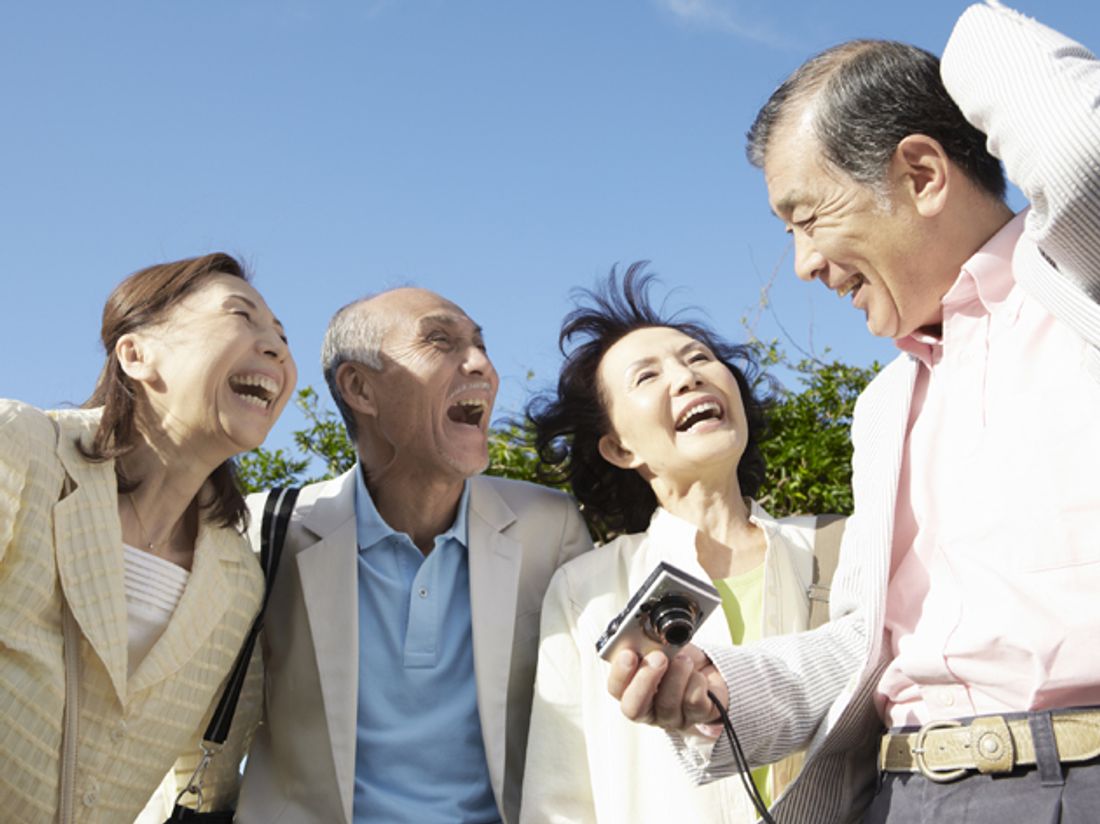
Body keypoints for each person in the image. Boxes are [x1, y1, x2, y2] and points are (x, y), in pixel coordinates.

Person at [606, 4, 1100, 822]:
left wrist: (972, 21)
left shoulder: (1078, 286)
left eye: (806, 217)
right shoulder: (884, 405)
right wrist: (723, 688)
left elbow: (1077, 145)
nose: (801, 263)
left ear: (922, 174)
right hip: (906, 797)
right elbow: (870, 645)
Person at [234, 286, 593, 824]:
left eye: (480, 345)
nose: (482, 365)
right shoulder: (267, 530)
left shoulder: (552, 526)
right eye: (440, 341)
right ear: (359, 387)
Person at [518, 264, 839, 823]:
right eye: (647, 377)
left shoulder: (836, 548)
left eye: (698, 358)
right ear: (619, 448)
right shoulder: (588, 589)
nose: (689, 377)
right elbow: (559, 795)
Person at [0, 253, 297, 822]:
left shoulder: (237, 584)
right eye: (242, 317)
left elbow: (205, 783)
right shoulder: (23, 454)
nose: (277, 348)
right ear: (135, 354)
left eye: (282, 336)